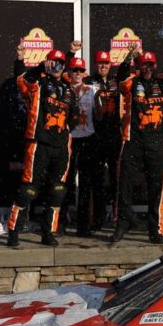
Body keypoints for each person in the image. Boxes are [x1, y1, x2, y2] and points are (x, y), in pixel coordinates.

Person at [7, 47, 79, 247]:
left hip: (61, 147)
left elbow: (73, 118)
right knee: (29, 190)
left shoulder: (69, 90)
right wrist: (28, 62)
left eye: (60, 63)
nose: (56, 66)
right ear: (47, 63)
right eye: (52, 62)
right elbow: (22, 78)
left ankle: (49, 232)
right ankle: (13, 231)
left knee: (57, 191)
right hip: (39, 144)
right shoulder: (37, 84)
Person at [112, 48, 163, 245]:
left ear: (155, 66)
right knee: (125, 183)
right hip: (133, 140)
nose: (147, 68)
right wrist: (129, 57)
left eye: (150, 65)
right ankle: (122, 224)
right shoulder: (132, 82)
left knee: (157, 187)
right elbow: (120, 78)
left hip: (158, 141)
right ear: (138, 67)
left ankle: (154, 229)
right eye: (143, 65)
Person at [86, 50, 121, 232]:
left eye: (106, 64)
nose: (103, 66)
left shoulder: (118, 82)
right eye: (100, 63)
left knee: (117, 179)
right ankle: (96, 219)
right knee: (97, 180)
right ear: (95, 64)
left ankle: (116, 217)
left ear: (110, 65)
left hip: (115, 136)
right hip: (95, 137)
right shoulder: (88, 81)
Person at [62, 55, 97, 236]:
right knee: (65, 181)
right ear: (68, 72)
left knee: (85, 183)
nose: (77, 73)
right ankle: (60, 222)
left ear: (85, 73)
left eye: (80, 70)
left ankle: (83, 225)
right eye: (74, 70)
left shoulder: (92, 90)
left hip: (87, 139)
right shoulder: (63, 89)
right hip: (68, 140)